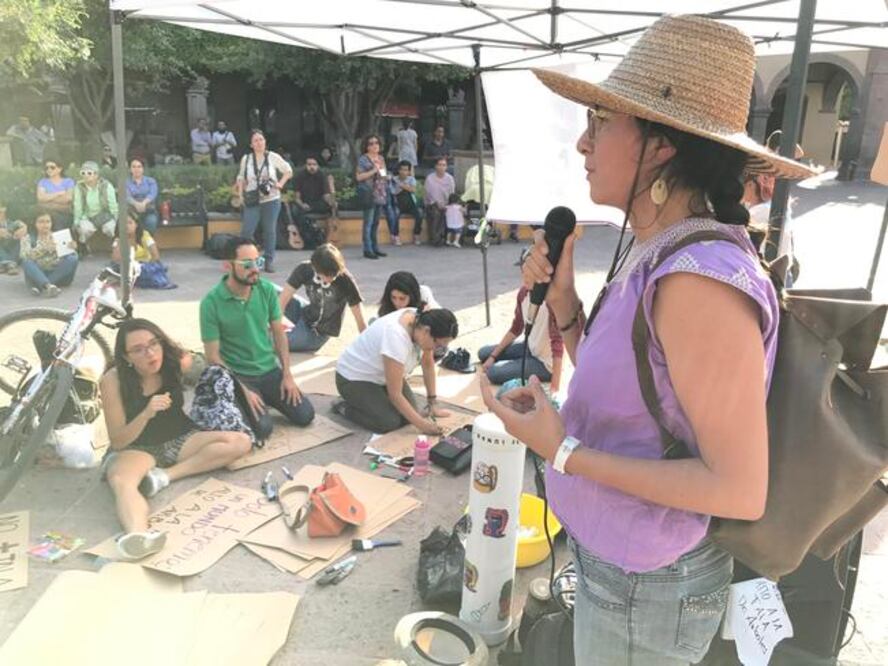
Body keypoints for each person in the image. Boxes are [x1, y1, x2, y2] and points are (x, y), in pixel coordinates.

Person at [481, 15, 814, 665]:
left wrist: (564, 450)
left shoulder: (701, 282)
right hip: (623, 568)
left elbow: (737, 488)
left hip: (650, 586)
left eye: (602, 122)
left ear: (660, 147)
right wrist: (565, 301)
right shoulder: (655, 244)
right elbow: (641, 393)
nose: (583, 143)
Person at [100, 318, 251, 559]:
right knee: (122, 481)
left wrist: (245, 392)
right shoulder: (112, 380)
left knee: (240, 442)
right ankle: (138, 536)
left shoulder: (175, 362)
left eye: (153, 344)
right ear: (126, 357)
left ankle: (163, 477)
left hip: (179, 438)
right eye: (138, 349)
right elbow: (118, 440)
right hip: (137, 447)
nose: (150, 353)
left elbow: (212, 367)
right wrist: (146, 413)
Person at [200, 237, 314, 439]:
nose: (255, 269)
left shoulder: (267, 290)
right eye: (247, 264)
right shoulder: (211, 303)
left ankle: (266, 396)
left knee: (306, 415)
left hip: (269, 370)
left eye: (258, 262)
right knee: (263, 430)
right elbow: (212, 357)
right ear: (227, 266)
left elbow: (279, 334)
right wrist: (242, 389)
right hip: (239, 375)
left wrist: (287, 375)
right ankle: (247, 399)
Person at [335, 308, 458, 434]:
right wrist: (424, 426)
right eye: (438, 345)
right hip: (353, 378)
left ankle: (371, 401)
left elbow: (427, 363)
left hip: (382, 377)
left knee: (408, 416)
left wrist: (432, 403)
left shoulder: (422, 323)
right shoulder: (396, 337)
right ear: (427, 331)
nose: (438, 350)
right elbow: (395, 394)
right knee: (389, 422)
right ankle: (344, 407)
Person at [478, 256, 564, 393]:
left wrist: (555, 389)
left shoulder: (551, 300)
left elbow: (558, 344)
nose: (524, 277)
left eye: (528, 273)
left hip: (544, 363)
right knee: (483, 353)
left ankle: (523, 365)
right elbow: (516, 328)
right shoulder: (524, 293)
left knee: (494, 372)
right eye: (523, 272)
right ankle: (515, 361)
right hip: (530, 347)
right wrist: (493, 356)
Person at [279, 244, 366, 352]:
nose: (331, 279)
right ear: (315, 268)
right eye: (327, 275)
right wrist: (276, 323)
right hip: (306, 312)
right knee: (268, 290)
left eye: (334, 275)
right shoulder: (305, 269)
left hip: (318, 333)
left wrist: (368, 345)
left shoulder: (345, 280)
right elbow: (283, 298)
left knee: (276, 343)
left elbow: (359, 318)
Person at [235, 129, 292, 273]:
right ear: (251, 144)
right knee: (247, 231)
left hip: (271, 199)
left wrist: (280, 183)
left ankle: (268, 261)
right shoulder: (246, 159)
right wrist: (241, 194)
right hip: (252, 198)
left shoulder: (272, 156)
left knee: (269, 231)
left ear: (265, 142)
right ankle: (247, 260)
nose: (259, 143)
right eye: (255, 140)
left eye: (261, 139)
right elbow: (241, 177)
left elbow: (288, 170)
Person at [19, 213, 78, 297]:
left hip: (59, 274)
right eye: (41, 222)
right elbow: (24, 255)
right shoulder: (28, 238)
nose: (45, 225)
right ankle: (47, 286)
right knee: (26, 261)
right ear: (35, 224)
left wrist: (72, 249)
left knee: (73, 258)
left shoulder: (59, 236)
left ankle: (43, 286)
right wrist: (44, 249)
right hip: (38, 273)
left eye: (48, 222)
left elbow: (70, 258)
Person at [72, 160, 118, 254]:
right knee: (85, 229)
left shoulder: (106, 185)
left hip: (105, 216)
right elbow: (78, 206)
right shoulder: (79, 186)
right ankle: (83, 246)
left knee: (110, 228)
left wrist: (115, 219)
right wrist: (76, 222)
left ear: (96, 175)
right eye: (83, 173)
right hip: (87, 217)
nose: (86, 175)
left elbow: (113, 205)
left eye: (89, 173)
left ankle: (114, 248)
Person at [355, 134, 389, 260]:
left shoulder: (381, 158)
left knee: (376, 222)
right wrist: (374, 170)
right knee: (368, 223)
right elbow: (359, 177)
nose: (375, 145)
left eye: (376, 143)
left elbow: (384, 175)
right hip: (369, 193)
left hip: (380, 193)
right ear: (367, 146)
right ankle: (367, 249)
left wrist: (384, 174)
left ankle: (375, 248)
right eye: (371, 143)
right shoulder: (363, 159)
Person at [292, 155, 338, 227]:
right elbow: (297, 197)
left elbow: (326, 195)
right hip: (304, 203)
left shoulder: (322, 175)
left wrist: (331, 195)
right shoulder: (300, 176)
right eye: (309, 164)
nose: (312, 167)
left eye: (314, 164)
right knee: (295, 210)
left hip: (318, 203)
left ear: (318, 166)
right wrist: (302, 204)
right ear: (305, 165)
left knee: (333, 206)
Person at [385, 160, 423, 247]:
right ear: (398, 170)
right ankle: (396, 236)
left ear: (409, 171)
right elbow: (393, 192)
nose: (403, 172)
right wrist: (402, 186)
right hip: (398, 203)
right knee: (395, 215)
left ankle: (416, 235)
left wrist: (402, 185)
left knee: (420, 214)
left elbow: (413, 189)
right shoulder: (394, 179)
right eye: (402, 169)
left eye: (406, 170)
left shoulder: (411, 179)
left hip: (410, 204)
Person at [423, 157, 455, 246]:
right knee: (436, 213)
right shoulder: (430, 178)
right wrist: (437, 203)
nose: (441, 167)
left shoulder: (450, 179)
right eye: (439, 165)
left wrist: (447, 205)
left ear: (446, 167)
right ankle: (435, 238)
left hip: (446, 204)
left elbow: (452, 194)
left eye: (444, 165)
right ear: (435, 166)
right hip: (432, 204)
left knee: (447, 213)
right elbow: (428, 195)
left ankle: (444, 237)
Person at [36, 160, 75, 230]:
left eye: (52, 167)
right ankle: (62, 240)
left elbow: (67, 198)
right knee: (53, 218)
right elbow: (41, 198)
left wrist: (48, 200)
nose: (49, 170)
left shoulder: (68, 181)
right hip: (48, 214)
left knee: (57, 219)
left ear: (60, 169)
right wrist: (59, 193)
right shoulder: (43, 182)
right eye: (46, 168)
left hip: (64, 213)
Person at [126, 158, 160, 234]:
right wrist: (136, 204)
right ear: (130, 169)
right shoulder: (126, 183)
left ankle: (148, 242)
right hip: (132, 212)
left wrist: (144, 203)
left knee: (151, 222)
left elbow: (153, 194)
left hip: (149, 211)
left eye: (139, 166)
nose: (136, 169)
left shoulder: (151, 181)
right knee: (129, 225)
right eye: (134, 167)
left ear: (143, 169)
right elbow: (126, 196)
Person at [0, 204, 25, 275]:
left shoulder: (13, 223)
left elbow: (23, 228)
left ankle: (5, 264)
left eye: (1, 211)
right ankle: (10, 264)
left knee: (18, 237)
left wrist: (23, 229)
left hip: (11, 247)